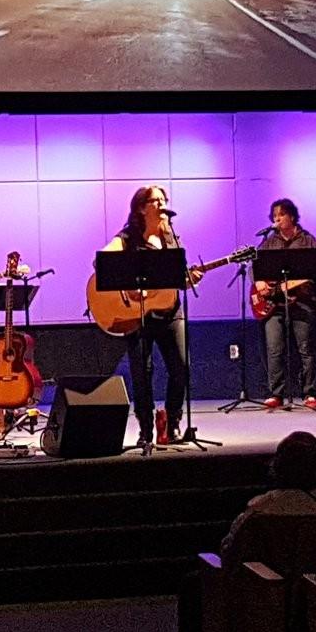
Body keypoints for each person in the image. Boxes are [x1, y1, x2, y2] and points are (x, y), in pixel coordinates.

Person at [156, 431, 316, 632]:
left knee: (195, 582)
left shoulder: (262, 510)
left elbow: (230, 552)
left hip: (260, 599)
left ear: (279, 467)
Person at [101, 185, 202, 448]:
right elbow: (102, 263)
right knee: (142, 373)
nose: (162, 204)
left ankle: (172, 421)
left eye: (164, 199)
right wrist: (129, 286)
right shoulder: (127, 238)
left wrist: (189, 280)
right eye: (155, 200)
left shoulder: (171, 238)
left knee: (181, 368)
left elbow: (176, 279)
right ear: (141, 208)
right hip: (139, 316)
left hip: (171, 312)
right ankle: (146, 428)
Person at [253, 198, 316, 409]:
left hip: (303, 302)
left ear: (292, 216)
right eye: (274, 216)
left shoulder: (308, 240)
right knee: (274, 348)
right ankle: (276, 393)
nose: (277, 219)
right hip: (274, 304)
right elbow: (254, 267)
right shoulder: (269, 242)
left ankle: (309, 392)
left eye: (281, 214)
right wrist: (258, 282)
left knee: (305, 348)